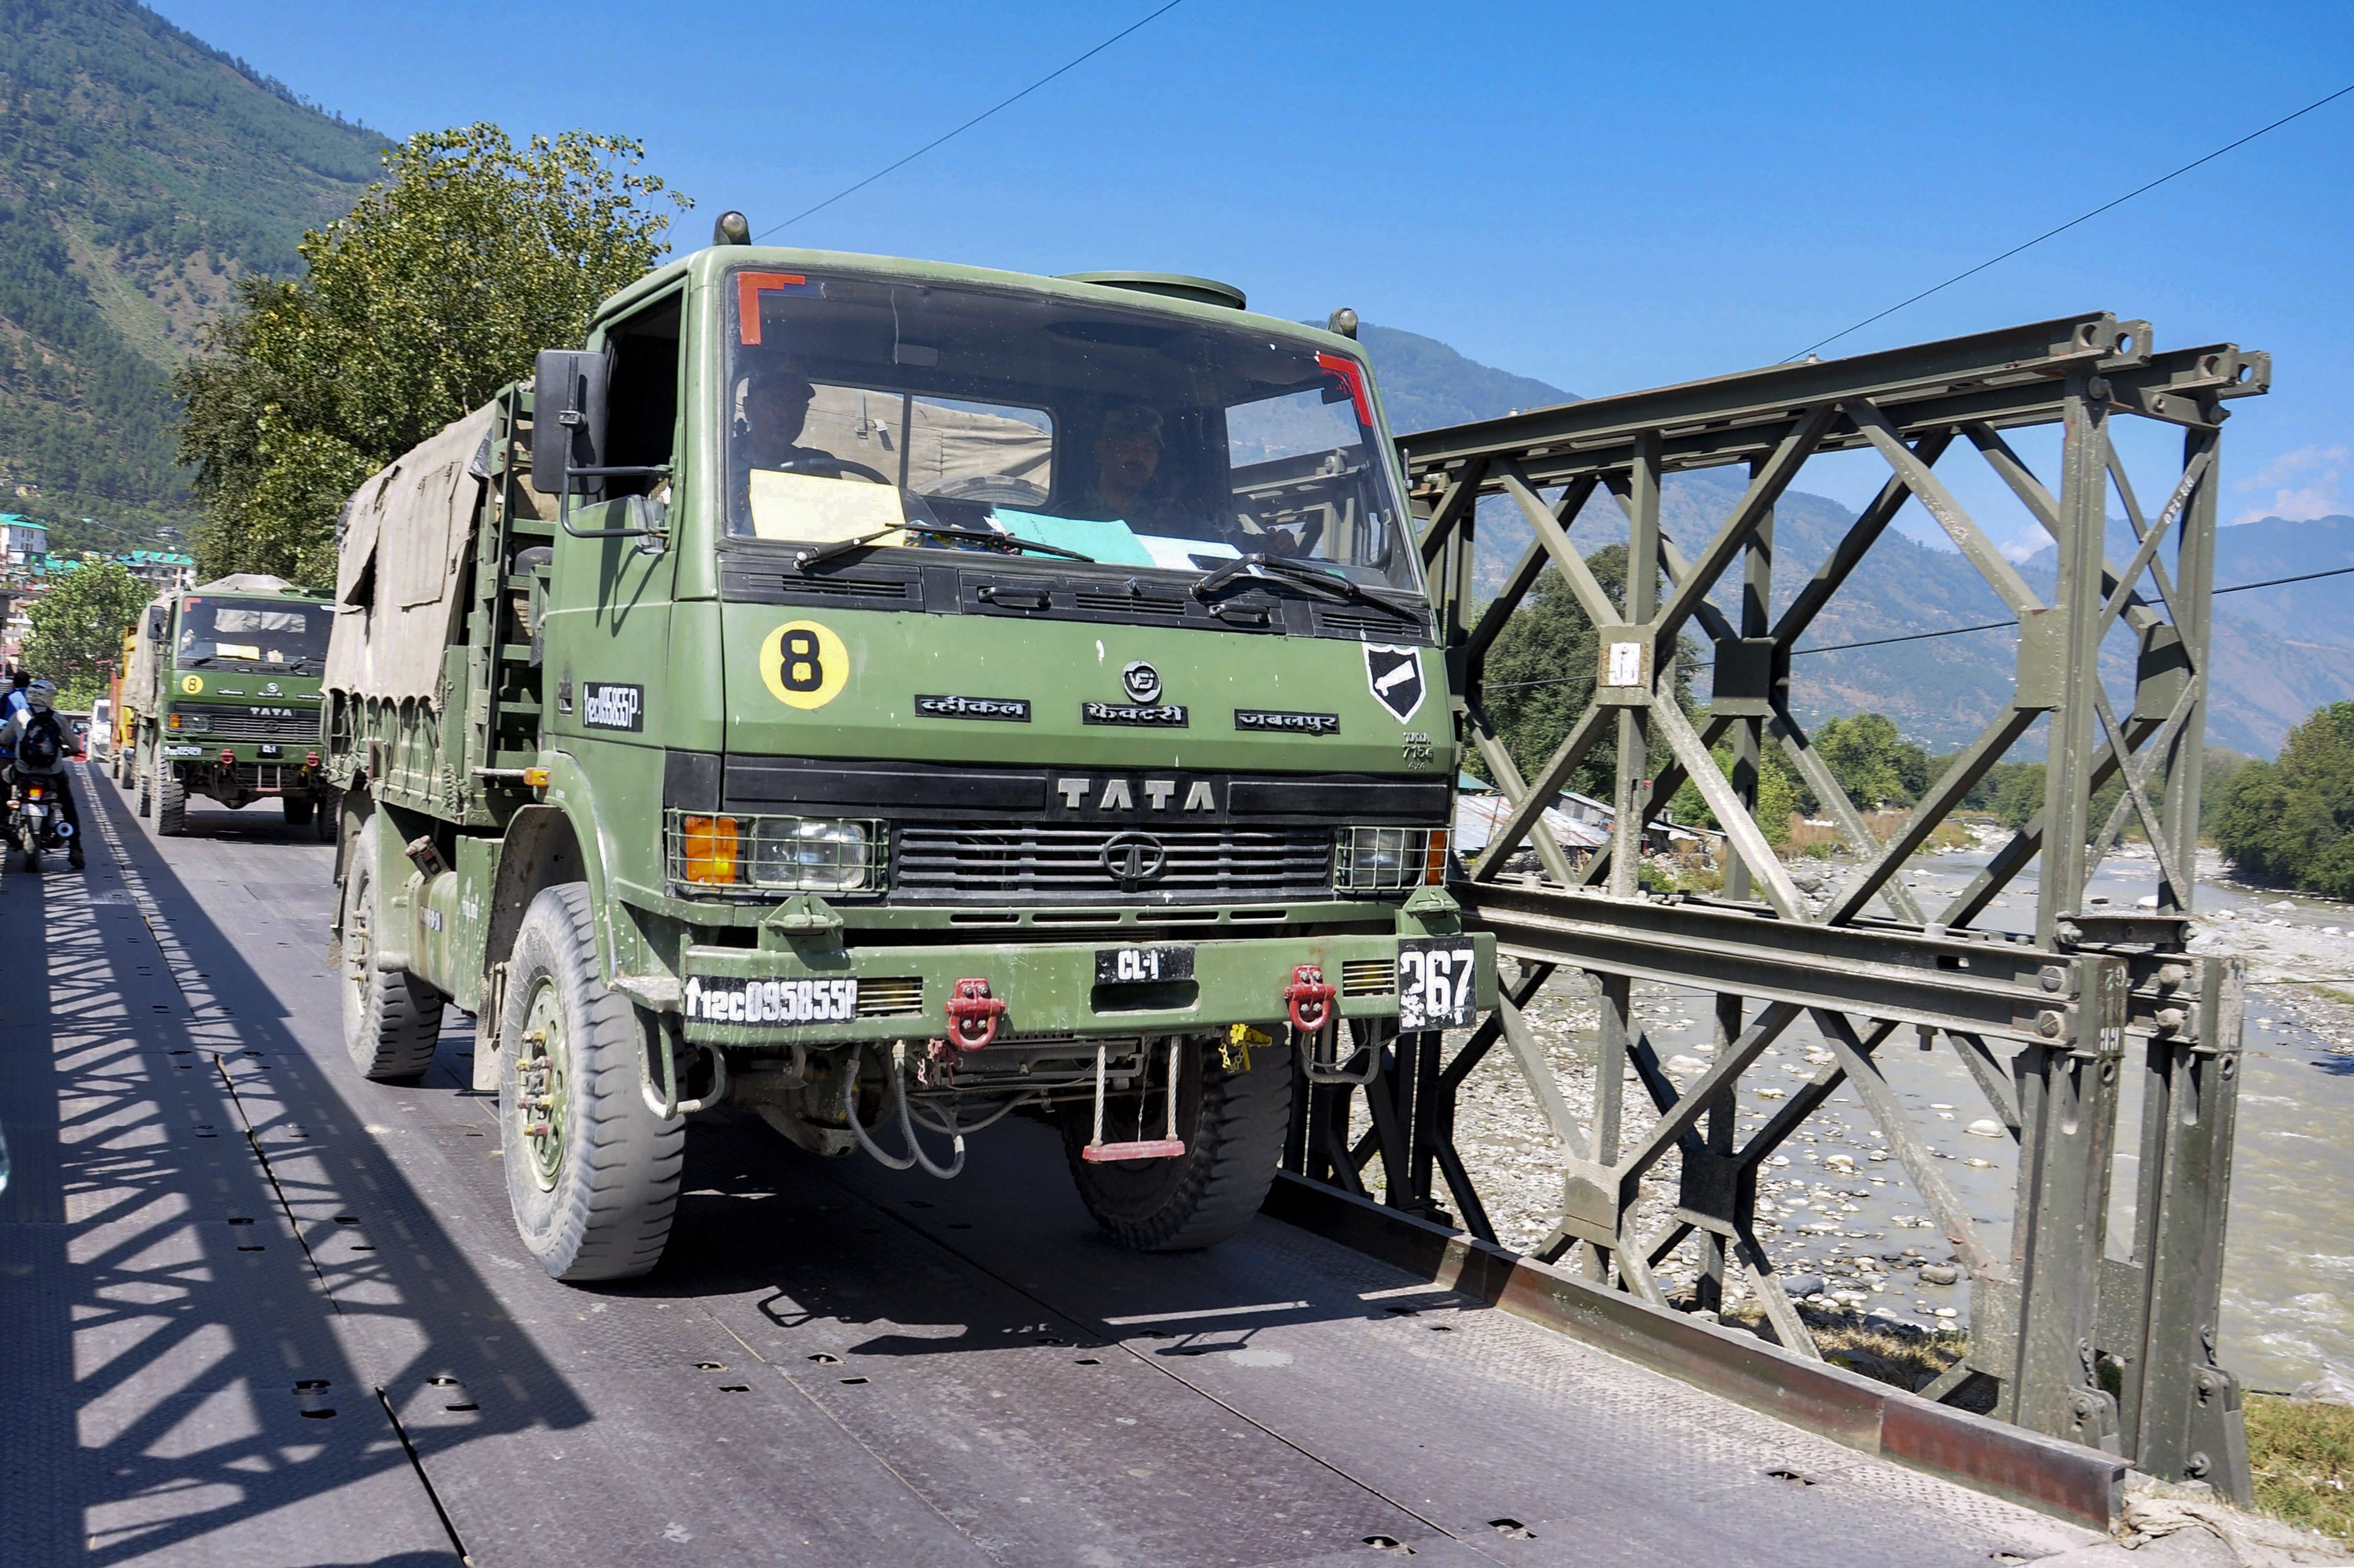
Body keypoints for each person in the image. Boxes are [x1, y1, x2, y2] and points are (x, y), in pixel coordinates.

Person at [6, 679, 84, 868]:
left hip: (23, 772)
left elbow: (4, 738)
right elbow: (74, 745)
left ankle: (4, 819)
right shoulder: (58, 719)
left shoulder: (19, 716)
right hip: (53, 774)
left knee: (4, 780)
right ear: (47, 698)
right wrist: (70, 750)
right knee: (68, 805)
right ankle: (75, 849)